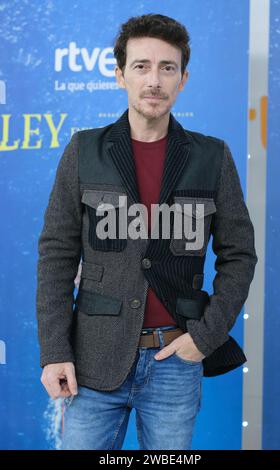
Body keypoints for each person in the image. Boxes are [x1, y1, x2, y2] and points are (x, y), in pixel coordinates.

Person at [36, 13, 257, 450]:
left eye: (166, 68)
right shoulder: (84, 151)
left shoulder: (212, 157)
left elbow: (240, 256)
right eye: (141, 66)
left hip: (175, 360)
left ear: (183, 79)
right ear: (120, 75)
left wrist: (205, 337)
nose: (153, 80)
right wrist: (54, 352)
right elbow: (57, 256)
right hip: (92, 362)